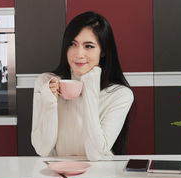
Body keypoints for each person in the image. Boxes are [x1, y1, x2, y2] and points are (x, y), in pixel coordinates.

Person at [31, 11, 134, 161]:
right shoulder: (45, 83)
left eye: (89, 46)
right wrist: (49, 103)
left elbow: (95, 154)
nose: (79, 54)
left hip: (100, 175)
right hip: (58, 174)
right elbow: (42, 149)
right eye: (72, 44)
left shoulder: (120, 94)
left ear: (103, 51)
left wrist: (91, 86)